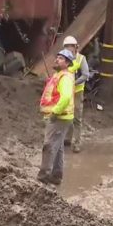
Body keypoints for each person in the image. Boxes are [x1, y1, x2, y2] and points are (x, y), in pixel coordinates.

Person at [38, 49, 76, 185]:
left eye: (60, 58)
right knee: (58, 147)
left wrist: (55, 112)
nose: (56, 60)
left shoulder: (65, 77)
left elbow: (65, 97)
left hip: (59, 117)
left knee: (49, 145)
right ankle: (56, 176)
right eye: (57, 57)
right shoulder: (60, 75)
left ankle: (43, 177)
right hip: (63, 117)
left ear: (67, 63)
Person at [62, 36, 89, 153]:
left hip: (77, 92)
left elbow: (85, 75)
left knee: (77, 118)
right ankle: (67, 139)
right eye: (66, 47)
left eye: (70, 47)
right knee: (67, 116)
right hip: (66, 91)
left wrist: (74, 83)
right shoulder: (63, 58)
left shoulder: (81, 59)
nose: (69, 49)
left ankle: (76, 143)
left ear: (75, 47)